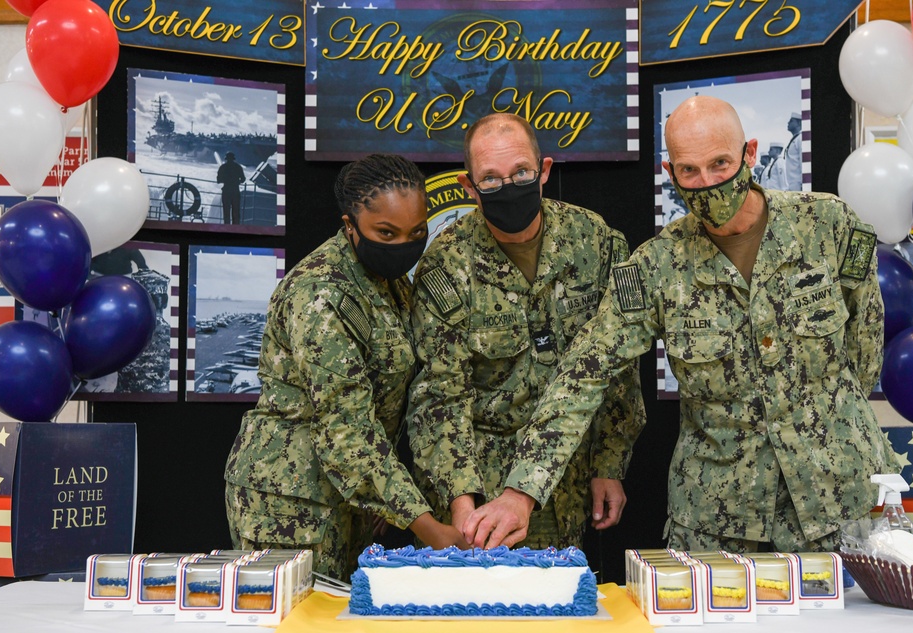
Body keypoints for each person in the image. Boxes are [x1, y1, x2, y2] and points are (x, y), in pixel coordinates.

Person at [483, 96, 899, 553]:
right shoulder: (654, 267)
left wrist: (825, 424)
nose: (707, 183)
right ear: (669, 170)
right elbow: (584, 375)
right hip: (718, 517)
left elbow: (865, 345)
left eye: (720, 164)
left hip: (834, 503)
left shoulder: (829, 224)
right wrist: (522, 490)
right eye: (689, 171)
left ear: (750, 153)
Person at [408, 113, 645, 551]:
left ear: (545, 171)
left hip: (569, 482)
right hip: (483, 489)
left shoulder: (596, 241)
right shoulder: (446, 265)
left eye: (521, 173)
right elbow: (438, 396)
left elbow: (619, 369)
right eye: (491, 180)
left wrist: (609, 464)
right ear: (469, 188)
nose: (509, 187)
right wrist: (463, 507)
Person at [224, 154, 468, 580]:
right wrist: (430, 530)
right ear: (350, 226)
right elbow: (346, 430)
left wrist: (386, 500)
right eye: (386, 233)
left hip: (349, 495)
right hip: (291, 502)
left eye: (416, 232)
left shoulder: (385, 280)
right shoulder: (320, 295)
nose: (403, 245)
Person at [217, 151, 246, 225]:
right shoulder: (238, 167)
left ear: (226, 159)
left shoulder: (223, 167)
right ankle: (235, 228)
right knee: (236, 212)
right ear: (233, 159)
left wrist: (225, 179)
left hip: (226, 191)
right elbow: (243, 179)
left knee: (226, 212)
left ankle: (226, 227)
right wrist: (237, 181)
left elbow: (218, 180)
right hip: (235, 191)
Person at [784, 111, 803, 191]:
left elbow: (803, 162)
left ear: (798, 123)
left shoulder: (801, 138)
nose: (788, 123)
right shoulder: (794, 139)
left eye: (791, 121)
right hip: (791, 185)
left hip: (798, 185)